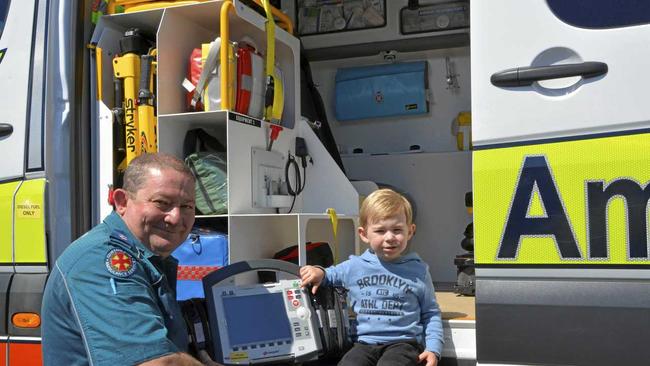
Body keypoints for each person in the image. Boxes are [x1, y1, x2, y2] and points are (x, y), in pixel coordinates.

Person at [42, 153, 216, 365]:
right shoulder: (100, 261)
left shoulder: (145, 257)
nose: (176, 217)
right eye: (162, 203)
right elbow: (155, 362)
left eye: (187, 206)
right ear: (121, 202)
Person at [300, 189, 443, 366]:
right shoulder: (355, 266)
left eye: (397, 230)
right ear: (364, 234)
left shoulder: (418, 271)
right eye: (380, 231)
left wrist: (433, 349)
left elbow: (430, 313)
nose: (390, 237)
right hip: (363, 344)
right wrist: (318, 271)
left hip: (403, 344)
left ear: (410, 231)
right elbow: (330, 275)